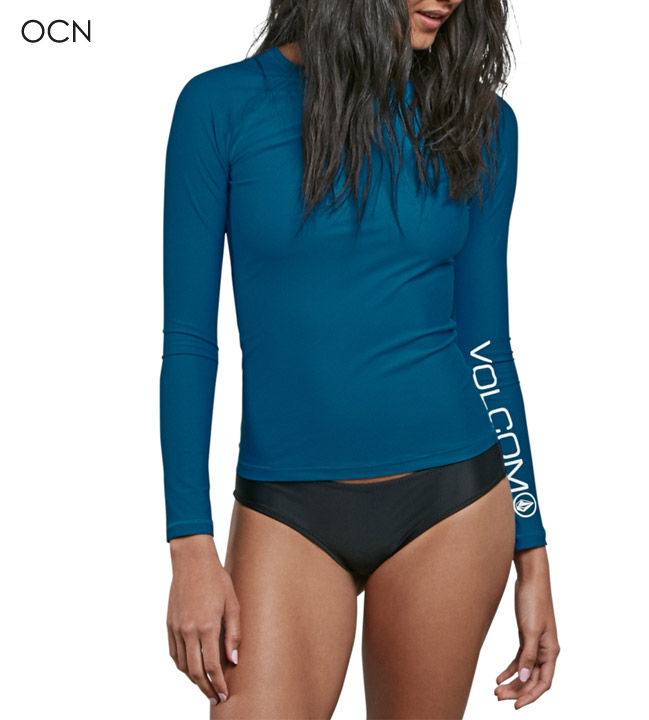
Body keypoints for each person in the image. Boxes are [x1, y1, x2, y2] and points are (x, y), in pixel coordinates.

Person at [161, 0, 560, 716]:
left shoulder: (478, 122)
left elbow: (485, 346)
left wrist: (532, 553)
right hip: (286, 507)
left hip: (453, 502)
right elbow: (190, 342)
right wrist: (190, 544)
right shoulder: (221, 107)